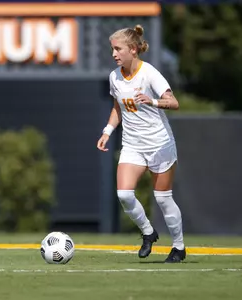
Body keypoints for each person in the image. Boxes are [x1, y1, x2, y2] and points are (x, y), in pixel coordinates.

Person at [97, 25, 186, 263]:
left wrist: (153, 101)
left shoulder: (150, 73)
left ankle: (179, 247)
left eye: (118, 49)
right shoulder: (114, 76)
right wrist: (107, 131)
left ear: (133, 49)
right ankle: (148, 232)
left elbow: (173, 102)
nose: (114, 54)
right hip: (132, 144)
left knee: (163, 199)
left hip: (159, 144)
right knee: (125, 194)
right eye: (112, 49)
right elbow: (118, 107)